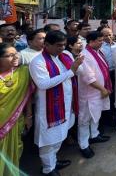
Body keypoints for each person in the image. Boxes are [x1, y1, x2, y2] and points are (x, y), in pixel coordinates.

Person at [29, 31, 84, 176]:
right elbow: (44, 84)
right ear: (46, 45)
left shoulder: (63, 56)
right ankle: (48, 169)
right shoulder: (38, 61)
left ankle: (53, 162)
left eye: (64, 45)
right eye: (58, 45)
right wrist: (70, 71)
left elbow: (77, 72)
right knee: (48, 142)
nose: (62, 48)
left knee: (59, 137)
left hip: (66, 105)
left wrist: (77, 65)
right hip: (49, 110)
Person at [0, 43, 34, 176]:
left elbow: (27, 96)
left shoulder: (23, 72)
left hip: (15, 121)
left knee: (14, 150)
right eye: (10, 55)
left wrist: (29, 116)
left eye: (16, 54)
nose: (15, 57)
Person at [77, 31, 112, 159]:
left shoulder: (98, 52)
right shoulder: (84, 55)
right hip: (89, 94)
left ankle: (95, 135)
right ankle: (84, 145)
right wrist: (102, 89)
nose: (102, 42)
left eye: (102, 40)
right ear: (90, 42)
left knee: (95, 116)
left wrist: (104, 88)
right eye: (99, 40)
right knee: (85, 120)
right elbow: (88, 78)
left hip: (99, 92)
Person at [100, 28, 116, 127]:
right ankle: (108, 118)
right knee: (109, 96)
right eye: (105, 35)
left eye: (110, 34)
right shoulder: (100, 47)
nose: (108, 37)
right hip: (106, 75)